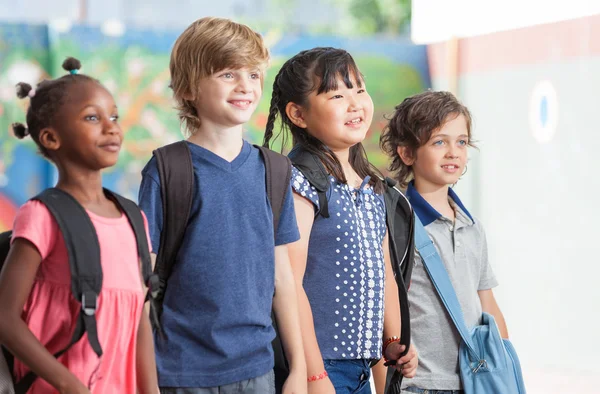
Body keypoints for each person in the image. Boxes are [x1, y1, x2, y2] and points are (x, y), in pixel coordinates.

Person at [138, 17, 306, 394]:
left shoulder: (275, 171)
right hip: (180, 372)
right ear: (188, 88)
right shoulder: (167, 170)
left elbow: (283, 279)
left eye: (253, 74)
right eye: (229, 74)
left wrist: (298, 368)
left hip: (258, 370)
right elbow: (141, 282)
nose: (246, 86)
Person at [263, 47, 418, 394]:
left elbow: (386, 276)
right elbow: (290, 284)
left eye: (360, 90)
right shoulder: (301, 181)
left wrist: (394, 342)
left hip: (364, 368)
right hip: (320, 369)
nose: (355, 104)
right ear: (298, 114)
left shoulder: (372, 187)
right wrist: (315, 377)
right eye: (337, 94)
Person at [0, 57, 158, 393]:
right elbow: (4, 318)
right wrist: (72, 387)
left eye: (113, 116)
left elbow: (139, 321)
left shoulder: (134, 218)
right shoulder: (42, 215)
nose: (111, 126)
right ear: (51, 138)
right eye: (92, 117)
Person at [379, 90, 509, 394]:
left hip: (476, 380)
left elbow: (487, 303)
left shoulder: (472, 227)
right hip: (420, 384)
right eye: (439, 142)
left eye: (461, 141)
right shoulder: (395, 224)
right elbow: (385, 306)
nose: (453, 152)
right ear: (407, 153)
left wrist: (503, 365)